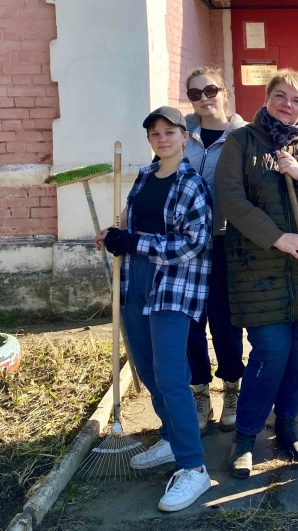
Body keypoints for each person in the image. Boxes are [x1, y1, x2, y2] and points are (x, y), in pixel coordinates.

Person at [215, 69, 298, 478]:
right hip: (259, 272)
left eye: (296, 99)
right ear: (267, 98)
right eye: (280, 96)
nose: (287, 104)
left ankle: (287, 426)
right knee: (270, 351)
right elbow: (231, 199)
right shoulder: (242, 142)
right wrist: (277, 238)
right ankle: (246, 436)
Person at [94, 106, 213, 512]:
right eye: (155, 134)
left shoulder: (192, 184)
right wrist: (114, 234)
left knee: (171, 376)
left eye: (169, 132)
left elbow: (192, 243)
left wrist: (135, 243)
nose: (162, 139)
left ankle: (194, 467)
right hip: (136, 282)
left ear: (184, 137)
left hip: (173, 287)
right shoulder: (145, 177)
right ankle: (170, 438)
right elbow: (132, 224)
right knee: (146, 369)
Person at [183, 66, 246, 435]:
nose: (204, 98)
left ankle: (232, 389)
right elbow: (159, 173)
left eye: (210, 90)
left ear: (225, 92)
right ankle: (199, 392)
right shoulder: (181, 134)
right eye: (195, 93)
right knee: (191, 323)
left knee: (226, 322)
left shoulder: (242, 136)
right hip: (187, 244)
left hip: (226, 240)